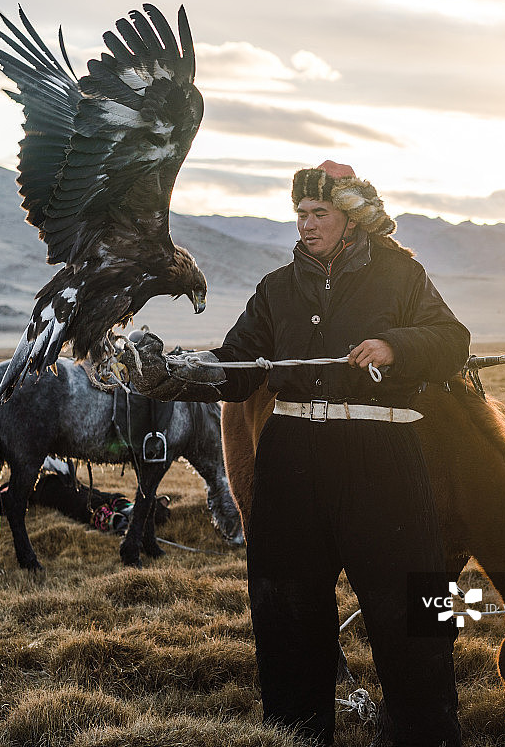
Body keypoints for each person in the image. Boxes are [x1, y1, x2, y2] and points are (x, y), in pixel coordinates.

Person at [122, 161, 470, 746]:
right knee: (285, 613)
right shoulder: (276, 289)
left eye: (320, 214)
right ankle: (296, 737)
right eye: (301, 214)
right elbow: (236, 366)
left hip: (384, 458)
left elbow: (453, 340)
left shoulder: (402, 275)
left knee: (417, 614)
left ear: (351, 218)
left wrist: (395, 346)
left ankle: (428, 735)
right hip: (292, 460)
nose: (307, 225)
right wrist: (175, 374)